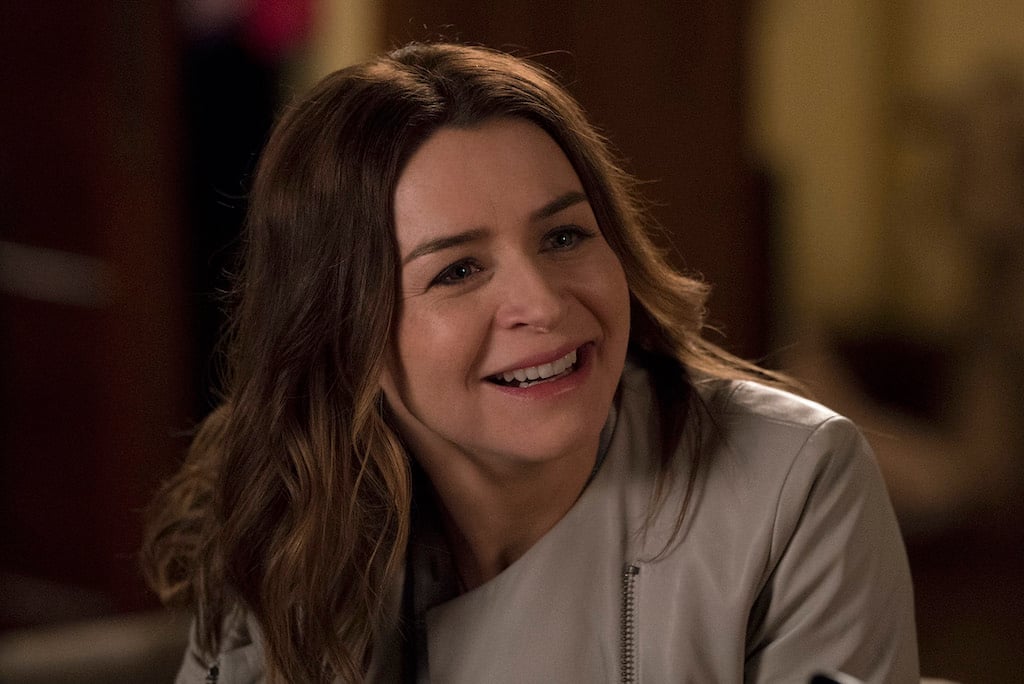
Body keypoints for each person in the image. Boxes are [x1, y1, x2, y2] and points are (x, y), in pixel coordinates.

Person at [143, 42, 919, 683]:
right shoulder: (287, 513)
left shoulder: (795, 486)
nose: (543, 304)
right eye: (458, 270)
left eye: (564, 236)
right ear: (342, 330)